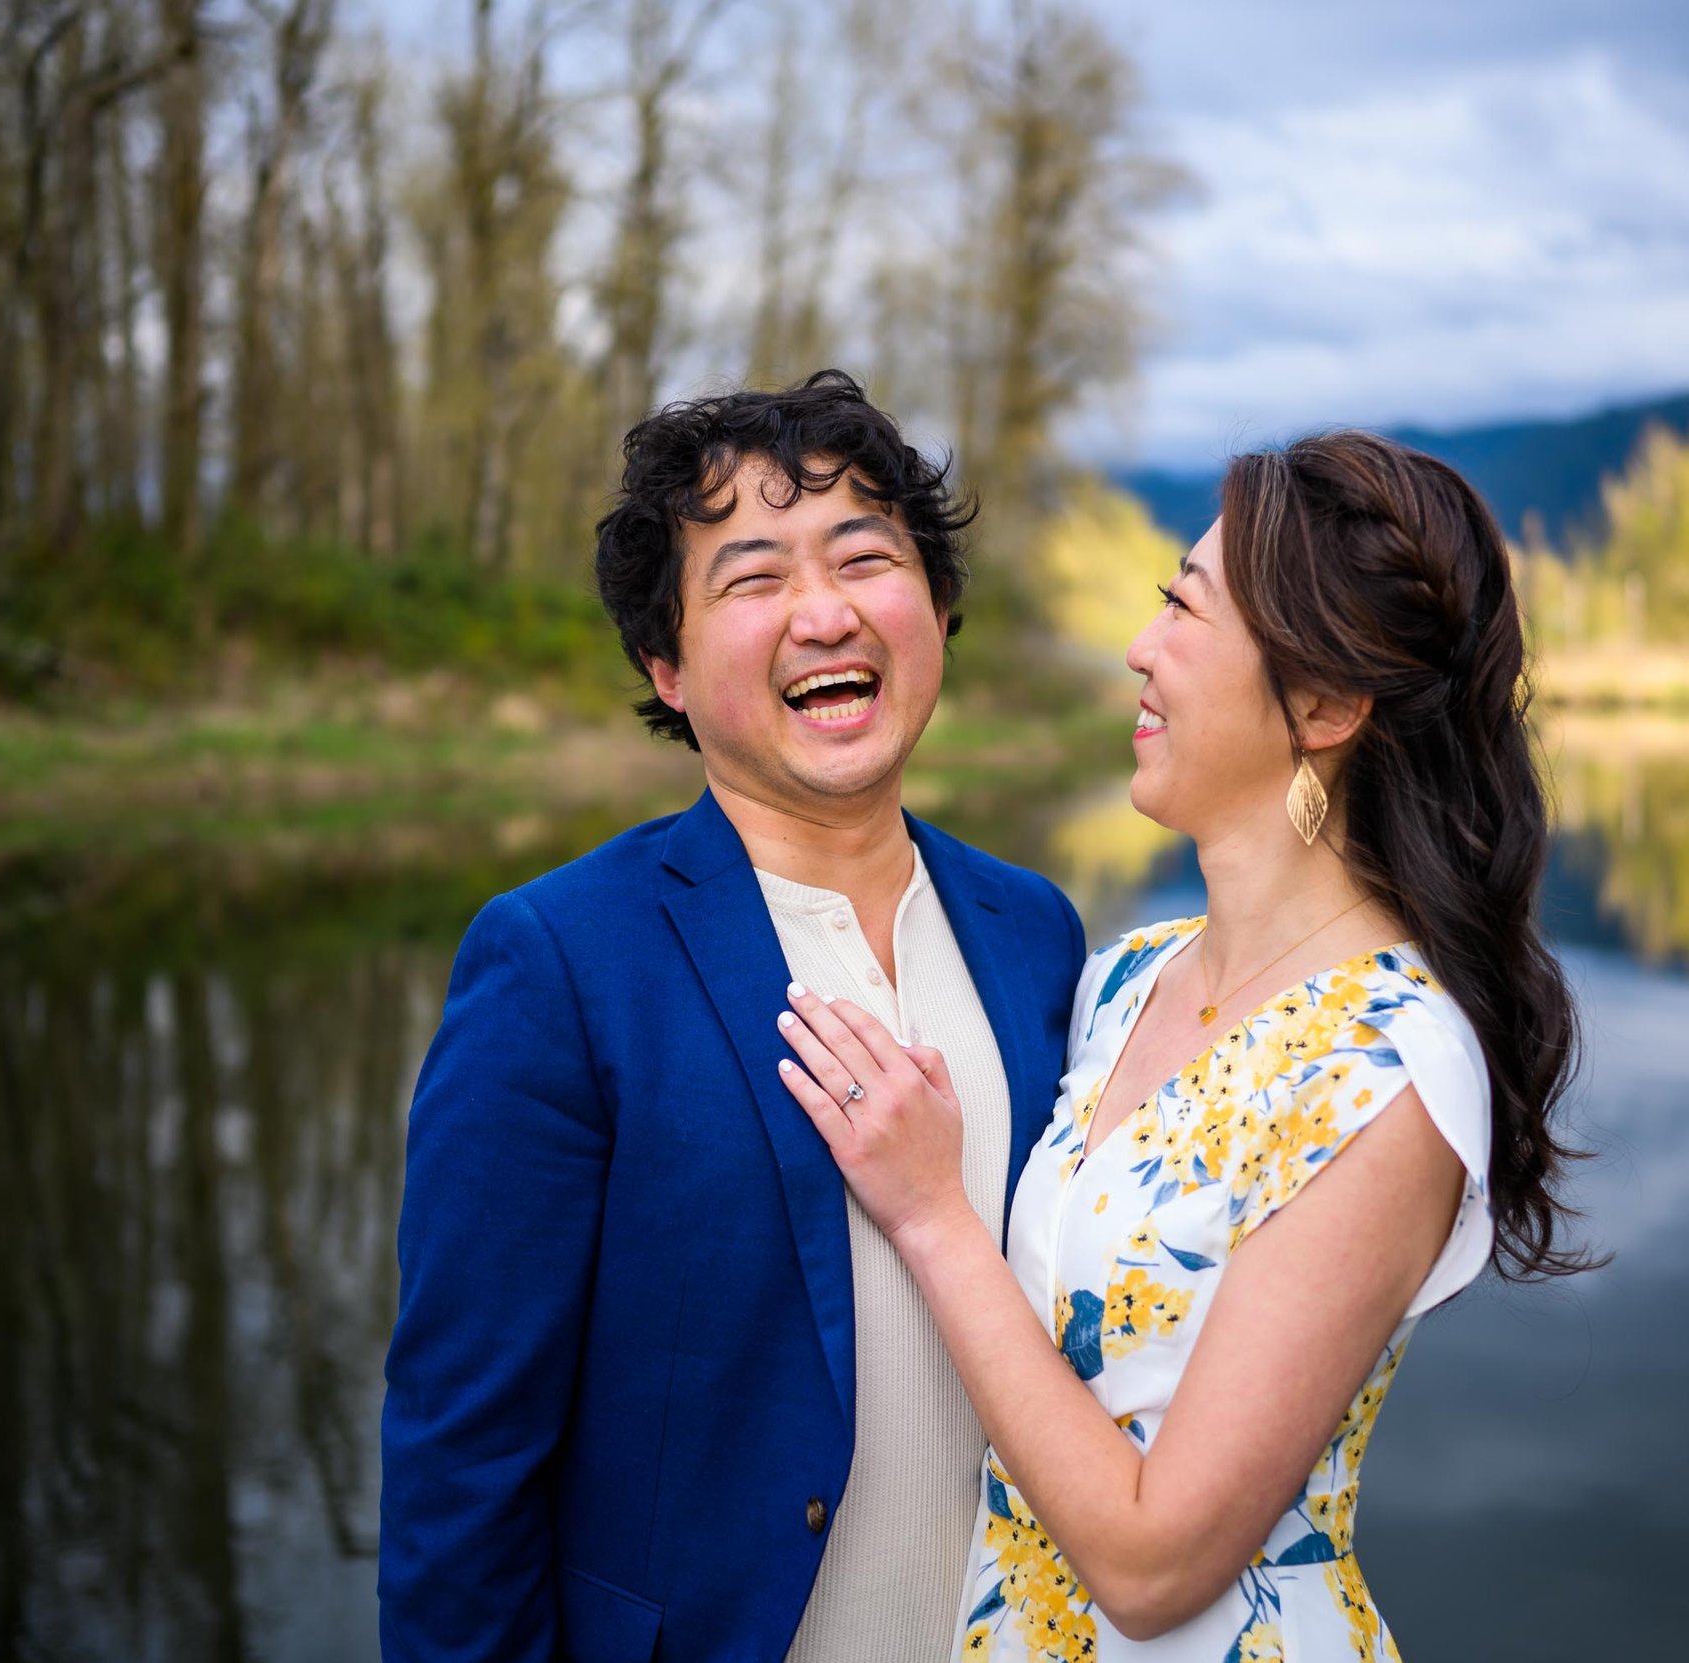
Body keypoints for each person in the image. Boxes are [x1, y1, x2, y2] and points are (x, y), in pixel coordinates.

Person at [773, 430, 1594, 1659]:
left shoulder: (1383, 1068)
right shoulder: (1127, 978)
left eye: (1183, 608)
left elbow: (1156, 1565)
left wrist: (934, 1215)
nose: (1139, 649)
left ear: (1321, 703)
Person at [378, 371, 1087, 1663]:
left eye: (867, 557)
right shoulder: (558, 960)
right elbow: (460, 1462)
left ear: (936, 606)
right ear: (670, 665)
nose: (825, 612)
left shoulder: (1034, 929)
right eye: (752, 579)